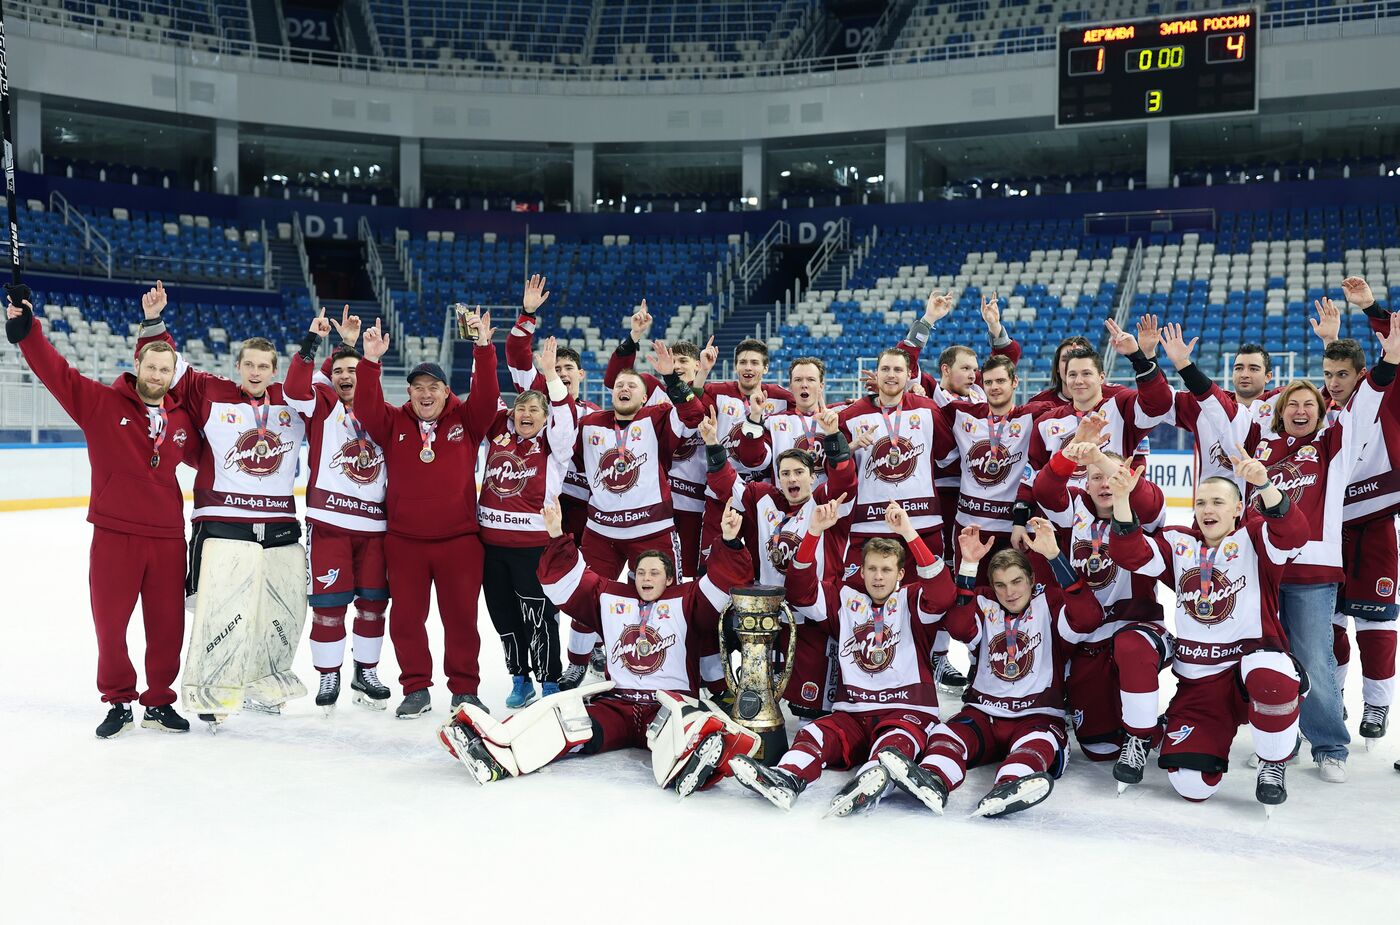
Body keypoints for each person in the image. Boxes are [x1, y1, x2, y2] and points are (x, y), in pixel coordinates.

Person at [1190, 312, 1400, 782]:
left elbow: (1367, 403)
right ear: (1280, 410)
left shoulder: (1336, 446)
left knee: (1314, 659)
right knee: (1265, 658)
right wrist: (1187, 367)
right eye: (1292, 405)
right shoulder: (1258, 447)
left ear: (1320, 412)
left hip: (1313, 575)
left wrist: (1388, 358)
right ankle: (1277, 742)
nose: (1300, 410)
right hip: (1263, 571)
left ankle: (1329, 744)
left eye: (1309, 404)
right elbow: (1221, 412)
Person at [437, 500, 759, 797]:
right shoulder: (612, 598)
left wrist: (730, 542)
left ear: (670, 579)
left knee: (677, 732)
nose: (646, 578)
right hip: (617, 706)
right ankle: (496, 752)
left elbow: (722, 586)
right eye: (641, 572)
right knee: (568, 726)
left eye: (654, 573)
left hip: (667, 704)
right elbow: (569, 584)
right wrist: (555, 535)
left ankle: (697, 757)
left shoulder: (687, 600)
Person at [7, 296, 201, 737]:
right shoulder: (100, 404)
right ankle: (118, 700)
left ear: (173, 376)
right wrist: (29, 333)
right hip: (115, 535)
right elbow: (57, 374)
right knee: (110, 625)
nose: (156, 375)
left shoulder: (182, 421)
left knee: (167, 628)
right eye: (151, 366)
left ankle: (159, 701)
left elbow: (215, 461)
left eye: (165, 370)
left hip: (168, 539)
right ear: (138, 363)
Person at [136, 281, 314, 724]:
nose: (256, 372)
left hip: (280, 528)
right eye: (249, 364)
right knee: (225, 613)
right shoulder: (211, 392)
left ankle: (266, 683)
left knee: (283, 610)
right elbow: (167, 368)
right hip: (223, 523)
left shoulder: (295, 406)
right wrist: (155, 321)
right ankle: (212, 694)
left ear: (275, 371)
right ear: (238, 367)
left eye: (264, 366)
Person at [730, 501, 957, 817]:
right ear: (861, 571)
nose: (878, 577)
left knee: (895, 745)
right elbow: (801, 593)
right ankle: (786, 778)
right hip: (853, 713)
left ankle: (872, 782)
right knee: (815, 734)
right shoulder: (844, 598)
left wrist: (908, 532)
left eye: (887, 569)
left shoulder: (912, 598)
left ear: (901, 573)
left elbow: (944, 593)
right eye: (873, 569)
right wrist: (813, 533)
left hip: (906, 711)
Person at [1108, 454, 1309, 810]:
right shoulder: (1180, 544)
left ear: (1237, 509)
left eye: (1218, 501)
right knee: (1193, 785)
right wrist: (1122, 500)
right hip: (1199, 683)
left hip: (1250, 673)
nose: (1207, 509)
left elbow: (1294, 532)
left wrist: (1264, 484)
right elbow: (1132, 554)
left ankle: (1273, 763)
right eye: (1200, 502)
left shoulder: (1257, 539)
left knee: (1271, 673)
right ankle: (1162, 728)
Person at [877, 519, 1104, 818]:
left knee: (1036, 745)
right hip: (983, 713)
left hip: (1035, 716)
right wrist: (969, 567)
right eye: (1000, 584)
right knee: (947, 736)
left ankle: (1010, 786)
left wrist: (1054, 557)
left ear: (1032, 579)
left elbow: (1089, 617)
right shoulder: (986, 602)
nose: (1009, 592)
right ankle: (932, 780)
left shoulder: (1048, 602)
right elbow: (958, 626)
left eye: (1016, 582)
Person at [353, 312, 500, 718]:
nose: (425, 394)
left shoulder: (467, 422)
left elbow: (487, 396)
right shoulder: (393, 423)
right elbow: (365, 406)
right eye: (418, 388)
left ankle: (465, 690)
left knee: (462, 622)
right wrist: (369, 362)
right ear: (410, 392)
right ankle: (416, 687)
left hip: (459, 542)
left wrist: (484, 350)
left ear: (445, 390)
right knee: (406, 621)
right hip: (404, 542)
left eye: (433, 387)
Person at [1033, 420, 1171, 784]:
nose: (1104, 484)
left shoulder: (1144, 513)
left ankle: (1143, 735)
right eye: (1094, 477)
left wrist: (1104, 461)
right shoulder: (1076, 508)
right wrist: (1074, 447)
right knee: (1098, 748)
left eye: (1109, 476)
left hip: (1136, 626)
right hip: (1087, 632)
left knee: (1132, 648)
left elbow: (1145, 496)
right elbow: (1046, 488)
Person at [703, 403, 856, 718]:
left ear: (813, 477)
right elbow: (725, 485)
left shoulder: (826, 502)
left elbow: (845, 481)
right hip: (768, 615)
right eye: (785, 473)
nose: (791, 478)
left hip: (813, 616)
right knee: (758, 697)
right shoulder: (762, 498)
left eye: (799, 472)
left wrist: (833, 435)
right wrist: (711, 443)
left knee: (809, 707)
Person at [283, 306, 392, 714]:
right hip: (330, 525)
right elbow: (295, 390)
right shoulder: (324, 404)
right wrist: (327, 344)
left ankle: (367, 671)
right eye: (341, 371)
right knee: (329, 608)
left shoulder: (383, 414)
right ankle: (330, 673)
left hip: (374, 530)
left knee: (373, 603)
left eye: (356, 371)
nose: (348, 377)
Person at [478, 336, 578, 709]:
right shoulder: (498, 434)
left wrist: (550, 375)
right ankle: (519, 678)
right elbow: (485, 396)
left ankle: (549, 681)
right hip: (492, 547)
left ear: (546, 417)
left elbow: (564, 414)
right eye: (523, 408)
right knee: (504, 618)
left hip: (532, 549)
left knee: (540, 618)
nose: (528, 413)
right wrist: (482, 347)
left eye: (537, 409)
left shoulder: (556, 446)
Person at [506, 275, 599, 544]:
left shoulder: (595, 414)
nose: (561, 373)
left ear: (581, 373)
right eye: (555, 369)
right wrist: (528, 313)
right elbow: (515, 352)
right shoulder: (538, 392)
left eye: (568, 368)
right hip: (538, 499)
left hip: (582, 504)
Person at [1026, 320, 1173, 483]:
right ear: (1059, 367)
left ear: (1100, 375)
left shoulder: (1118, 400)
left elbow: (1158, 400)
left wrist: (1140, 356)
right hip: (1065, 501)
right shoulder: (1041, 408)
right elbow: (1033, 467)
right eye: (1068, 361)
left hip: (1110, 491)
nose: (1079, 379)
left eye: (1086, 372)